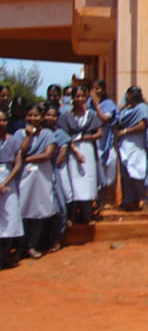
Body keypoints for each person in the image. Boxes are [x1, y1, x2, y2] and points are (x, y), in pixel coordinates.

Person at [16, 104, 57, 259]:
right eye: (30, 115)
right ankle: (21, 246)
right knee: (23, 209)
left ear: (41, 117)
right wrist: (28, 136)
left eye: (36, 115)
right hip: (24, 176)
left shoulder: (48, 134)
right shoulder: (19, 134)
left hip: (41, 176)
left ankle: (33, 245)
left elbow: (47, 154)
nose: (33, 118)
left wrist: (27, 159)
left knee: (39, 210)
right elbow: (20, 151)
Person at [58, 86, 102, 225]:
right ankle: (72, 217)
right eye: (77, 96)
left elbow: (99, 133)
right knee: (74, 183)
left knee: (88, 183)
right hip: (72, 152)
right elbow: (64, 136)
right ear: (72, 98)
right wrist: (75, 151)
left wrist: (85, 138)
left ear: (86, 97)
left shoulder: (91, 115)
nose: (80, 99)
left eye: (82, 96)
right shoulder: (66, 116)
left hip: (88, 151)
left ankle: (87, 216)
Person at [116, 86, 148, 211]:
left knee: (138, 172)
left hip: (136, 145)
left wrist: (126, 131)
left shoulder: (142, 108)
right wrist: (119, 110)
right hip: (124, 146)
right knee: (126, 174)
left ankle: (144, 199)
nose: (126, 98)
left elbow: (142, 125)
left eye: (128, 95)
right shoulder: (126, 109)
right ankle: (129, 200)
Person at [40, 104, 69, 252]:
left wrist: (50, 167)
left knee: (59, 207)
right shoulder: (40, 132)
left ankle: (56, 239)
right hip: (38, 174)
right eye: (47, 115)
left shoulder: (61, 134)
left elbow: (62, 154)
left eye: (53, 115)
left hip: (54, 172)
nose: (50, 118)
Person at [0, 110, 24, 269]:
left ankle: (6, 255)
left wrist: (5, 183)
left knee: (10, 216)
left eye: (2, 120)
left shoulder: (14, 140)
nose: (0, 123)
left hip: (8, 180)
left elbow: (18, 163)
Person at [90, 79, 118, 210]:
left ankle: (106, 201)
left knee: (108, 173)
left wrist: (96, 105)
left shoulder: (108, 104)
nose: (96, 91)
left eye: (98, 88)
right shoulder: (86, 104)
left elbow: (105, 118)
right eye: (93, 88)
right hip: (92, 143)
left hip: (105, 143)